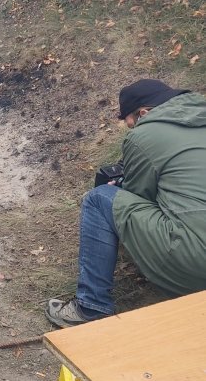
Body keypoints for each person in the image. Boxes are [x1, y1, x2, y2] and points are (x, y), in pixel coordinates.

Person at [46, 79, 206, 327]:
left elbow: (141, 196)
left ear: (143, 113)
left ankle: (91, 307)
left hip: (196, 262)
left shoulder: (145, 135)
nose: (131, 130)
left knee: (99, 200)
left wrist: (120, 187)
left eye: (130, 124)